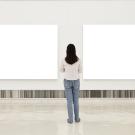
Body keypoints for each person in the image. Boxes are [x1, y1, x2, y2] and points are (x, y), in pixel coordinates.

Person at [60, 43, 82, 124]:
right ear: (75, 51)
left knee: (69, 101)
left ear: (67, 51)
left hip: (67, 81)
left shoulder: (63, 60)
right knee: (76, 101)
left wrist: (67, 70)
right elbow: (80, 71)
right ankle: (77, 119)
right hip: (76, 81)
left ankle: (70, 120)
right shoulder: (78, 60)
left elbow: (61, 70)